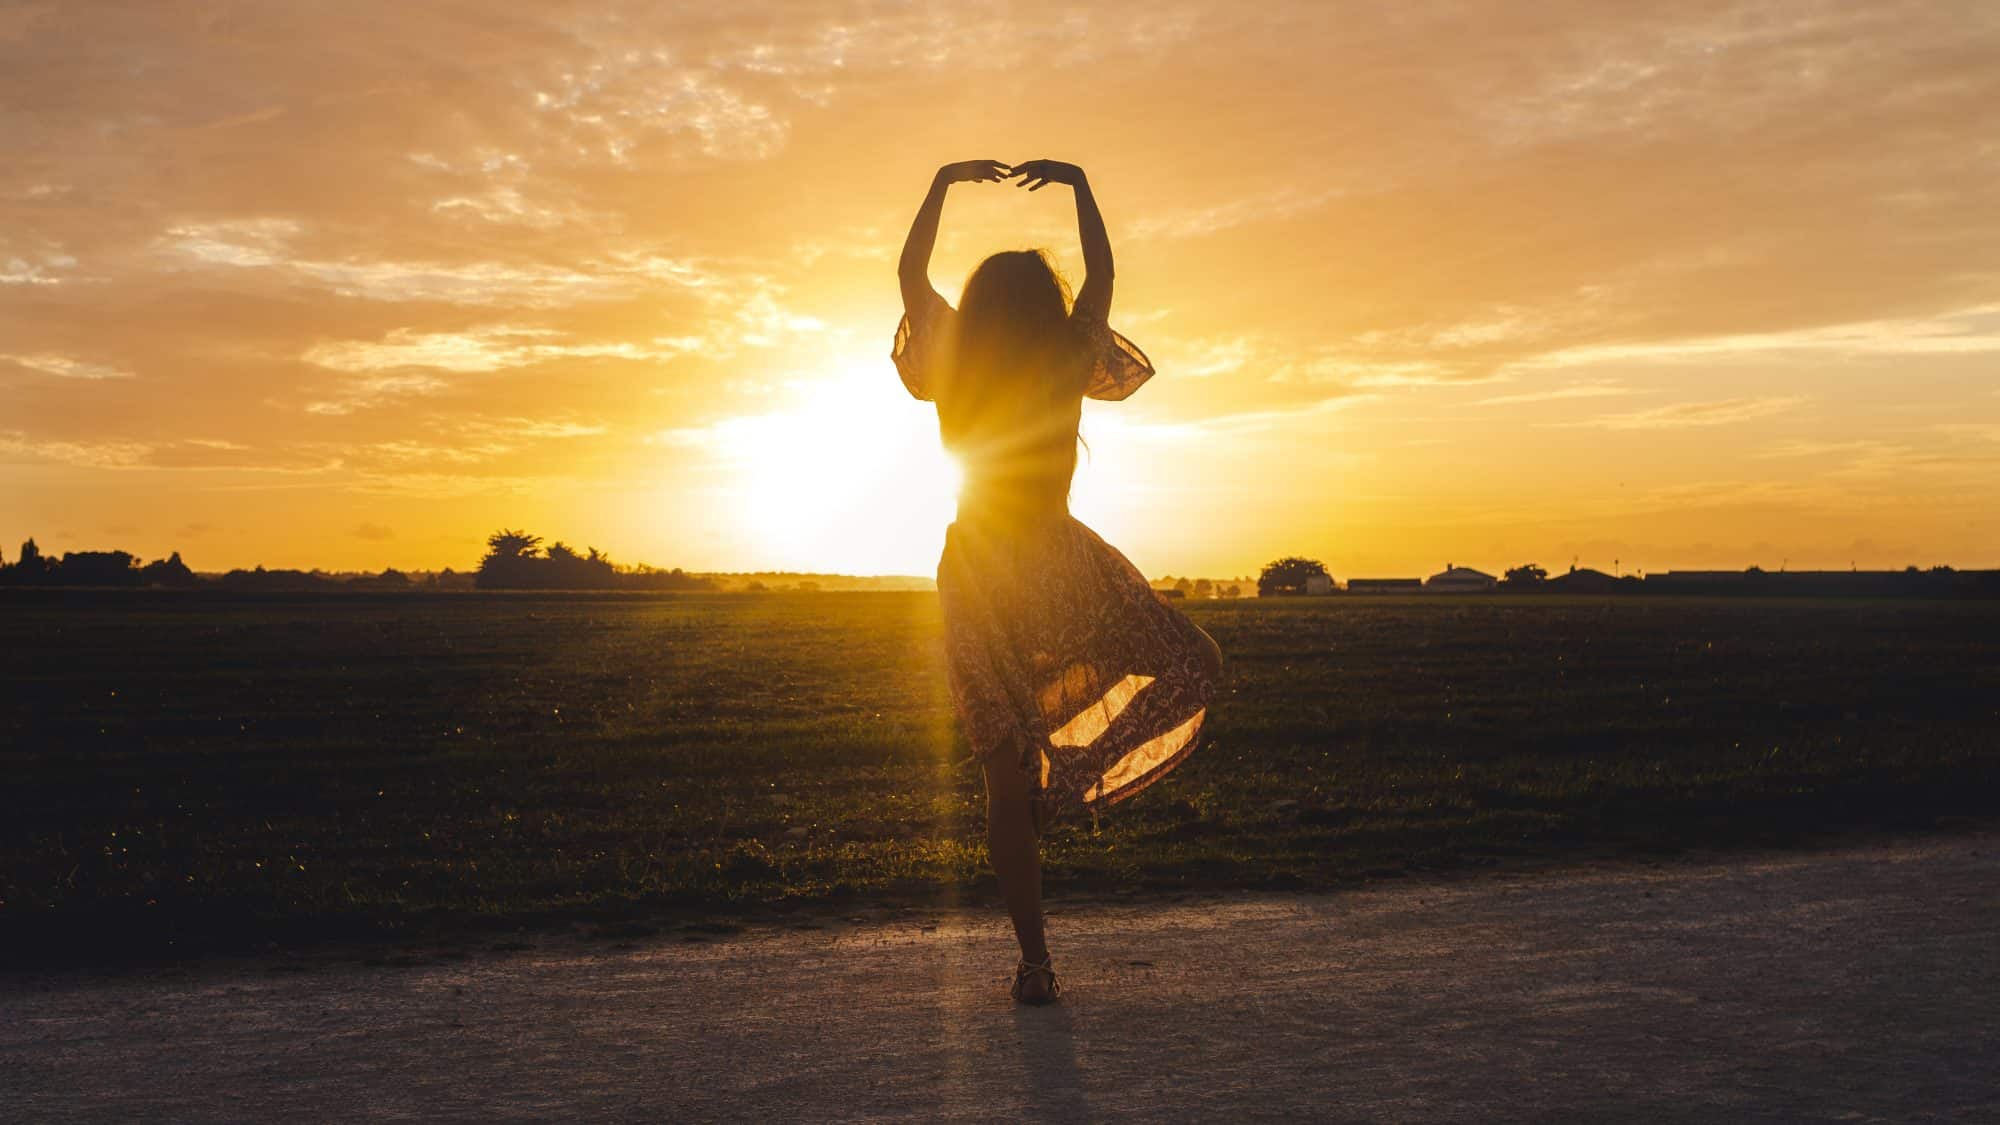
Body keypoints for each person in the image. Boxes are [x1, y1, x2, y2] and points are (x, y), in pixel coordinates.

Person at [894, 158, 1223, 1004]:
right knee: (1196, 661)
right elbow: (1105, 274)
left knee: (1003, 779)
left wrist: (942, 183)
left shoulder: (953, 350)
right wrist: (1080, 183)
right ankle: (1072, 765)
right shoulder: (1065, 349)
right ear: (1047, 304)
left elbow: (908, 273)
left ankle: (1035, 959)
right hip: (1055, 559)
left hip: (974, 567)